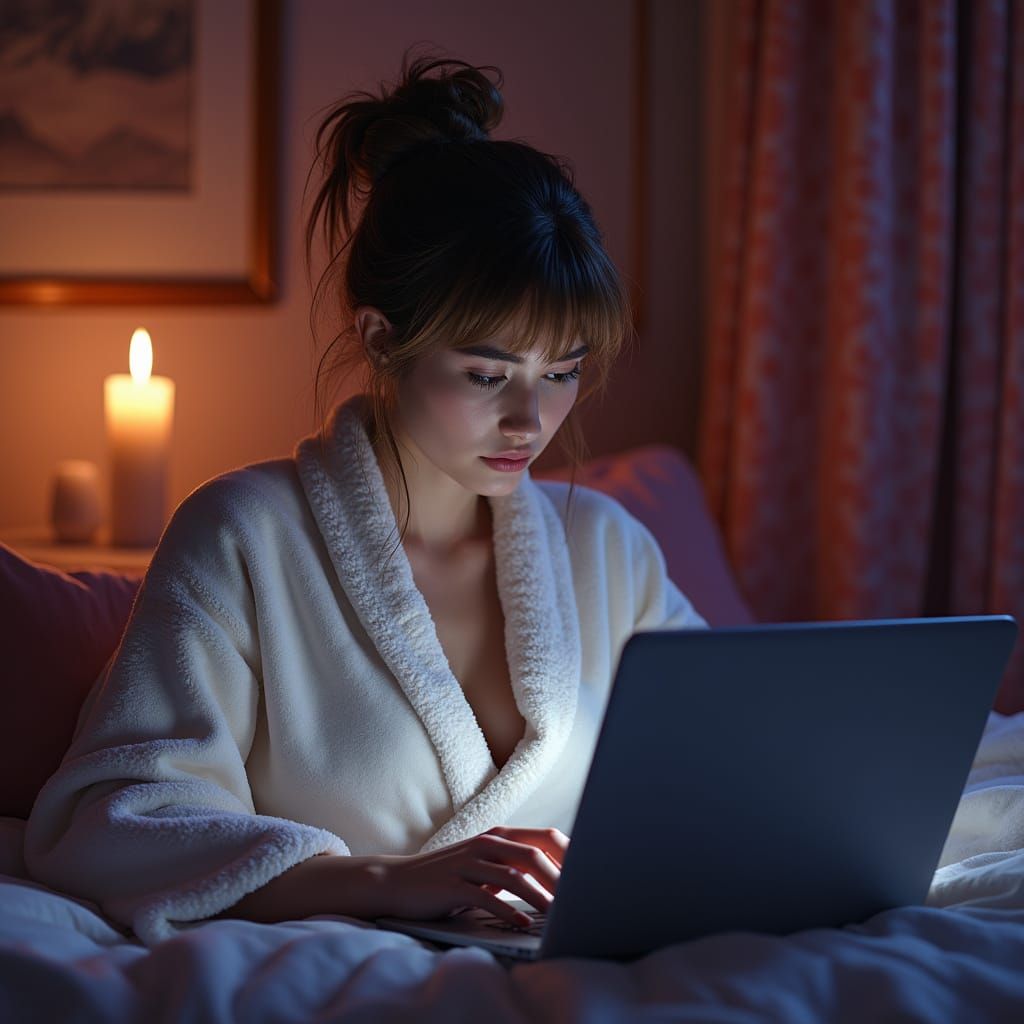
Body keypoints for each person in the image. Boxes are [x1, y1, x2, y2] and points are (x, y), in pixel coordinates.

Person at [24, 52, 706, 947]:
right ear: (384, 340)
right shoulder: (245, 535)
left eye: (563, 372)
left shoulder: (610, 548)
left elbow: (731, 765)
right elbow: (121, 816)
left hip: (576, 965)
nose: (529, 419)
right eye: (487, 373)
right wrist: (382, 880)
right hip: (345, 961)